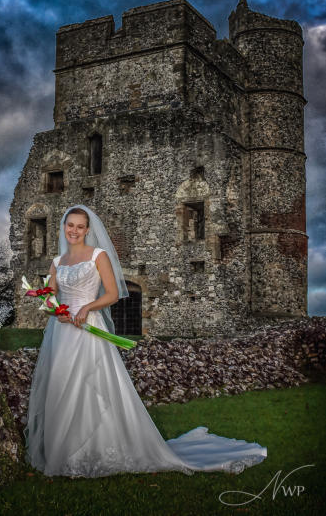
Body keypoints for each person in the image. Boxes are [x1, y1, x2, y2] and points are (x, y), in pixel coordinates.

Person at [23, 204, 267, 478]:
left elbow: (113, 294)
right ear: (64, 226)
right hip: (63, 331)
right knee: (61, 383)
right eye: (71, 225)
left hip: (88, 327)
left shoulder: (98, 256)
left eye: (80, 226)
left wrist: (86, 308)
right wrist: (51, 306)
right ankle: (62, 452)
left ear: (88, 230)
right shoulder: (58, 262)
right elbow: (50, 295)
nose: (75, 231)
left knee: (90, 384)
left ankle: (96, 449)